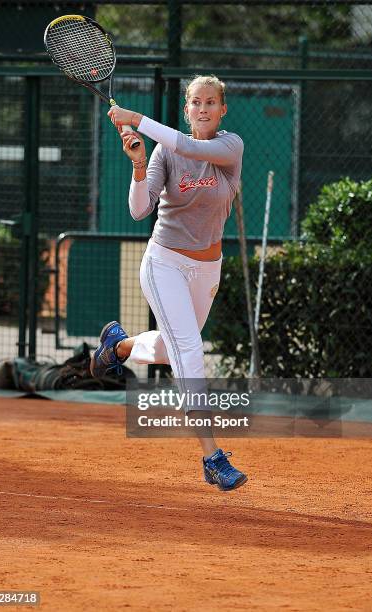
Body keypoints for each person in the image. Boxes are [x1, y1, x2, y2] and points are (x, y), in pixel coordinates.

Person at [90, 75, 248, 491]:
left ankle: (119, 346)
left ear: (222, 110)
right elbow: (140, 210)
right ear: (186, 108)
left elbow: (190, 146)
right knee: (189, 350)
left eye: (211, 103)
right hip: (164, 263)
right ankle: (213, 457)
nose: (203, 109)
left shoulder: (229, 147)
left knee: (170, 346)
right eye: (195, 102)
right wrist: (139, 166)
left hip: (207, 267)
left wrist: (137, 117)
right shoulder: (164, 151)